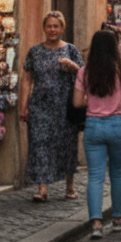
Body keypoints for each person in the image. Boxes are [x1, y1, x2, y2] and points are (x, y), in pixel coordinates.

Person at [73, 30, 121, 238]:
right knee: (118, 174)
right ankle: (117, 218)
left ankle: (96, 223)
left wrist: (90, 101)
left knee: (95, 176)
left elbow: (76, 102)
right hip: (118, 125)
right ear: (114, 47)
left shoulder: (84, 71)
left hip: (93, 126)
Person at [20, 11, 83, 202]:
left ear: (62, 28)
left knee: (66, 145)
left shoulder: (71, 50)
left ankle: (69, 186)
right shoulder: (35, 51)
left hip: (65, 106)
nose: (52, 30)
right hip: (40, 105)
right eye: (49, 26)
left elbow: (84, 76)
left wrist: (73, 67)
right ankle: (42, 189)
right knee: (40, 143)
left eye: (56, 26)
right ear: (44, 28)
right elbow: (27, 79)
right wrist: (24, 106)